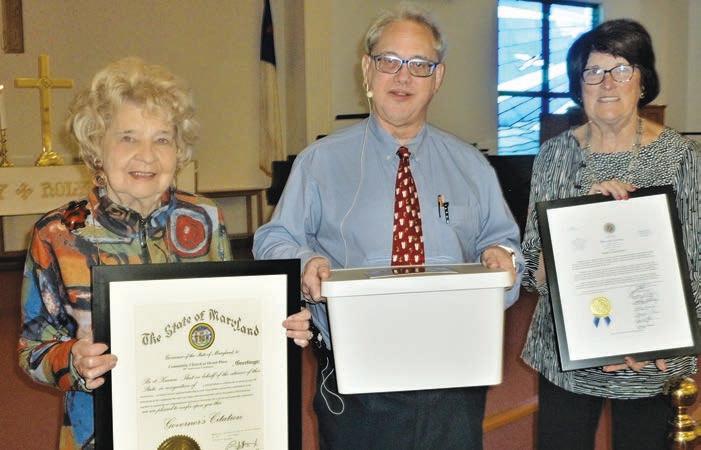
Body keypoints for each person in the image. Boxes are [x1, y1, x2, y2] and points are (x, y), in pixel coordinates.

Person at [254, 5, 523, 449]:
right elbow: (273, 238)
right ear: (367, 69)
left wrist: (503, 258)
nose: (403, 77)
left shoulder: (471, 166)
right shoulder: (320, 162)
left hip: (452, 373)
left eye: (420, 65)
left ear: (437, 77)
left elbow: (504, 242)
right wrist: (305, 263)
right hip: (357, 379)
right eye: (389, 61)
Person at [16, 57, 300, 450]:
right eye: (128, 137)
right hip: (100, 429)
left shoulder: (205, 218)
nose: (147, 155)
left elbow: (230, 320)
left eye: (163, 139)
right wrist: (74, 362)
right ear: (96, 147)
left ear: (179, 150)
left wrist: (278, 325)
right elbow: (32, 351)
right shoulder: (58, 233)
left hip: (205, 424)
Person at [521, 19, 701, 450]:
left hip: (651, 358)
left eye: (621, 69)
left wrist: (657, 339)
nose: (607, 83)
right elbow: (530, 265)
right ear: (578, 84)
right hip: (566, 351)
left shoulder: (680, 157)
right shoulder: (553, 156)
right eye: (593, 71)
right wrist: (572, 227)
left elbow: (695, 264)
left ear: (643, 81)